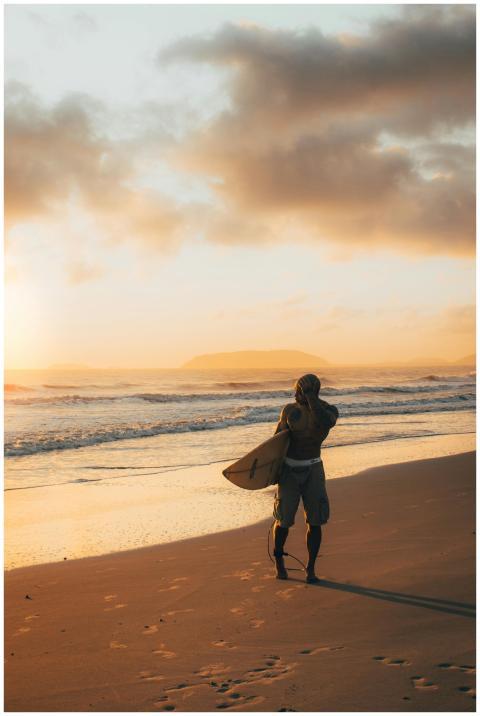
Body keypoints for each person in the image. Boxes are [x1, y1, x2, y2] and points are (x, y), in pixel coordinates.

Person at [273, 373, 339, 584]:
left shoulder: (329, 412)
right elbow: (276, 443)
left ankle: (310, 568)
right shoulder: (289, 411)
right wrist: (271, 473)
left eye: (299, 391)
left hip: (313, 470)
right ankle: (279, 559)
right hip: (289, 471)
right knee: (284, 520)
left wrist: (311, 399)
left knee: (316, 520)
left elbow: (323, 424)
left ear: (310, 392)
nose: (294, 394)